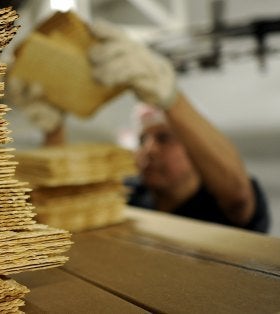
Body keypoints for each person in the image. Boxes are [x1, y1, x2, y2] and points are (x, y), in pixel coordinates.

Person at [88, 20, 270, 232]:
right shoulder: (130, 194)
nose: (149, 149)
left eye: (164, 138)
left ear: (196, 149)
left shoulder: (215, 206)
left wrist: (170, 97)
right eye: (142, 140)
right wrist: (53, 129)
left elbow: (239, 197)